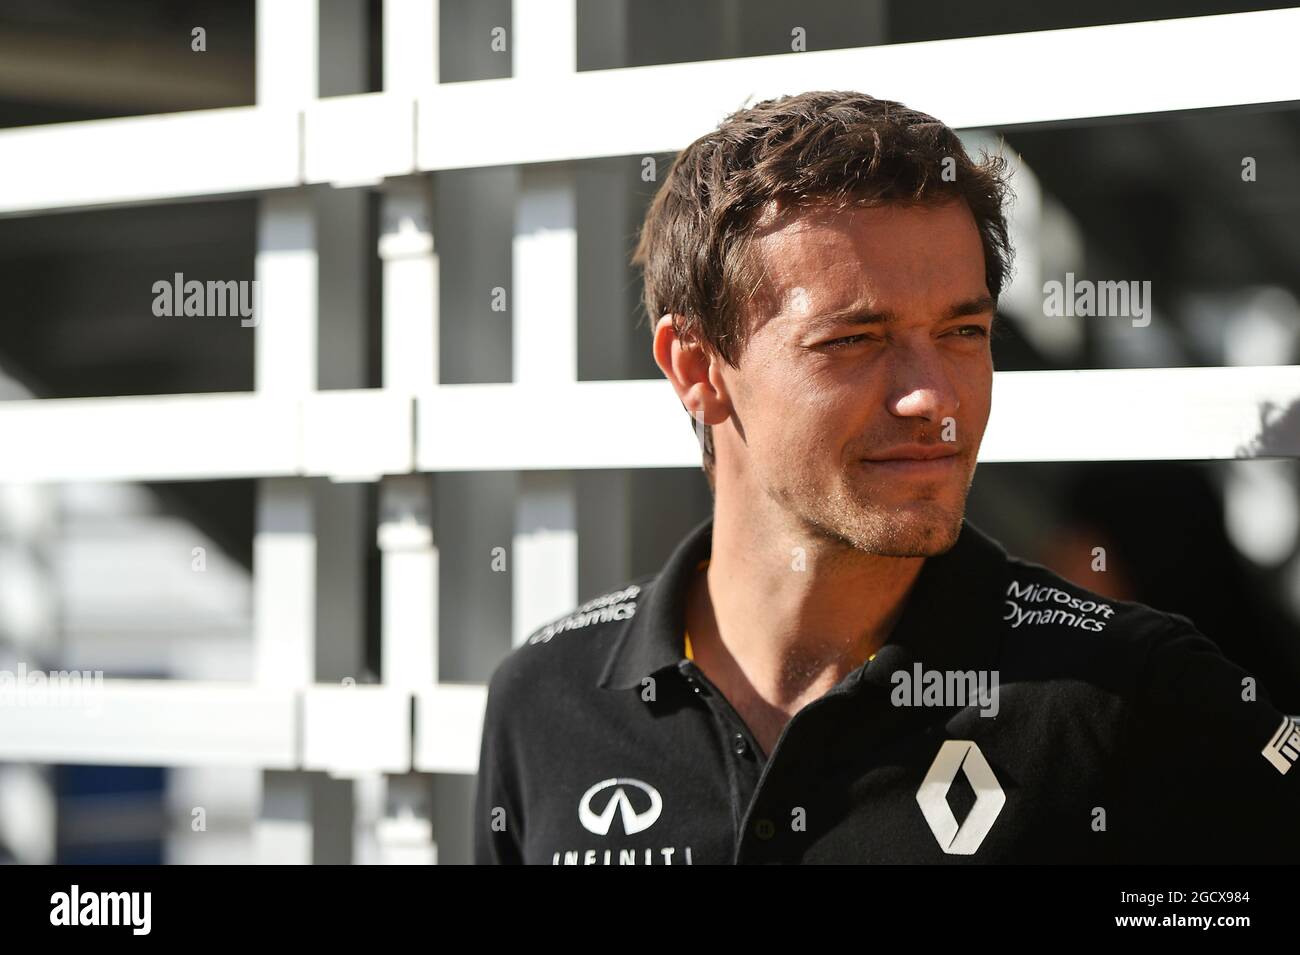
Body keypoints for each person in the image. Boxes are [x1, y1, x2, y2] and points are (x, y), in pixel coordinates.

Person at [474, 90, 1300, 864]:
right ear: (696, 365)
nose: (933, 397)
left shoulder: (1125, 694)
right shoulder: (548, 699)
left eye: (964, 331)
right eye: (854, 340)